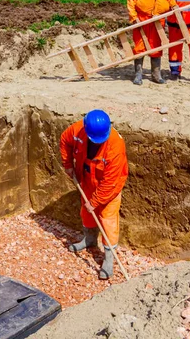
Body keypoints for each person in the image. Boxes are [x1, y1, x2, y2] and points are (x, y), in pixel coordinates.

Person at [59, 110, 128, 279]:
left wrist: (95, 201)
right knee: (86, 212)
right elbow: (65, 140)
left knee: (107, 220)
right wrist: (68, 164)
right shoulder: (78, 130)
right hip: (87, 179)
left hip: (108, 188)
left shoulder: (115, 148)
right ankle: (89, 240)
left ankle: (108, 258)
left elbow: (110, 183)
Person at [127, 0, 177, 85]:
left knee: (156, 46)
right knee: (139, 46)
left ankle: (156, 74)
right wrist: (133, 16)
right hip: (141, 18)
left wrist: (174, 5)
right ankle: (138, 75)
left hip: (158, 18)